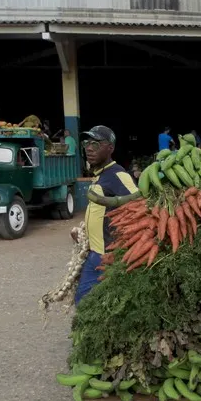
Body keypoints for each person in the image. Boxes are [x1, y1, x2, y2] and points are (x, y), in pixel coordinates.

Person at [74, 125, 139, 304]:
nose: (88, 148)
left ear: (110, 148)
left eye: (95, 143)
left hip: (106, 255)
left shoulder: (118, 175)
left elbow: (139, 206)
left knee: (84, 302)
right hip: (96, 251)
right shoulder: (101, 175)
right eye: (87, 143)